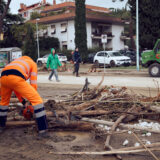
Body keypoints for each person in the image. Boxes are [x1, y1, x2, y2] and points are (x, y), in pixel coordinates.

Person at [0, 56, 48, 137]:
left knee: (4, 102)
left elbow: (16, 88)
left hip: (3, 77)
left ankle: (1, 126)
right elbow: (33, 83)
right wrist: (32, 101)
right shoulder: (33, 64)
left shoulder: (17, 61)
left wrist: (24, 102)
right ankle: (43, 130)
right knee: (37, 100)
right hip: (16, 76)